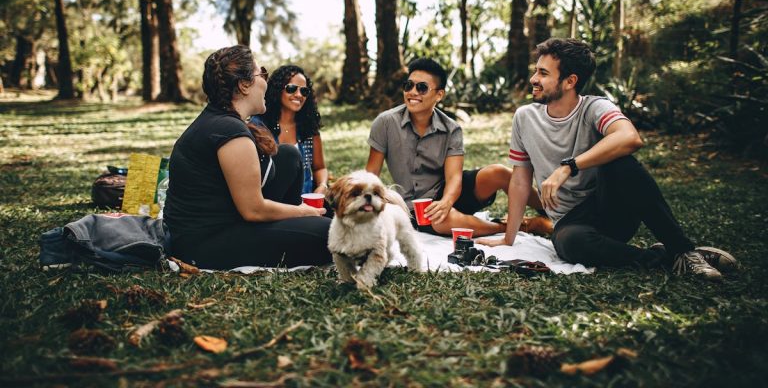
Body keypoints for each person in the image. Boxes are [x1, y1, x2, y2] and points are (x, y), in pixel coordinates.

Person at [478, 38, 736, 281]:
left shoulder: (595, 107)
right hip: (571, 224)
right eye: (536, 71)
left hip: (611, 209)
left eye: (543, 73)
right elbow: (521, 181)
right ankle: (668, 257)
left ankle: (684, 250)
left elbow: (630, 137)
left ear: (570, 81)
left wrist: (569, 166)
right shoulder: (525, 117)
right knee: (570, 243)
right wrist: (508, 238)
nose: (534, 79)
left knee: (622, 162)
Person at [163, 45, 331, 270]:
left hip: (228, 219)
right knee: (332, 234)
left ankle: (299, 224)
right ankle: (303, 224)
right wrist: (303, 211)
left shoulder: (223, 120)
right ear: (244, 85)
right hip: (206, 243)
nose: (266, 81)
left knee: (288, 155)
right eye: (262, 73)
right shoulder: (229, 131)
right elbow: (253, 210)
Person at [366, 57, 541, 237]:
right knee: (440, 220)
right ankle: (515, 227)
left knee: (499, 172)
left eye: (422, 87)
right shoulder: (385, 123)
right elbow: (370, 175)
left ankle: (552, 212)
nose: (412, 92)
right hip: (415, 207)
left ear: (439, 95)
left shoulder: (451, 129)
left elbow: (454, 179)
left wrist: (446, 202)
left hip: (449, 193)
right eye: (408, 85)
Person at [250, 65, 329, 196]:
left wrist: (322, 186)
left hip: (306, 202)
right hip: (272, 204)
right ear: (277, 90)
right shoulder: (259, 126)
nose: (299, 95)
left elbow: (320, 168)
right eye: (291, 89)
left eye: (304, 91)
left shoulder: (308, 128)